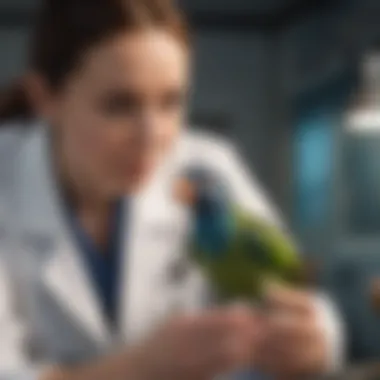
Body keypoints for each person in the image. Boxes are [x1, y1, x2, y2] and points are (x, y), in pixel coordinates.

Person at [0, 0, 345, 379]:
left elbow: (301, 297)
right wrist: (140, 368)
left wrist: (314, 343)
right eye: (119, 105)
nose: (152, 137)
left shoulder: (206, 167)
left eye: (171, 102)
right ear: (45, 98)